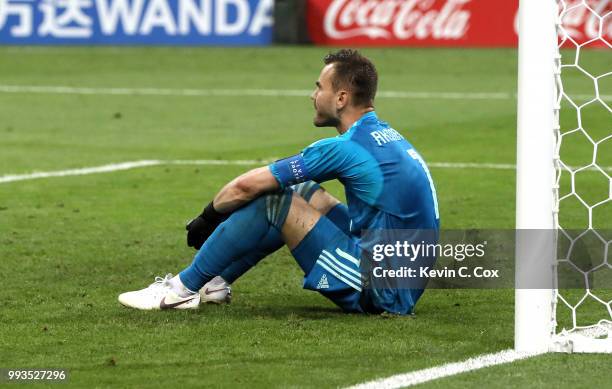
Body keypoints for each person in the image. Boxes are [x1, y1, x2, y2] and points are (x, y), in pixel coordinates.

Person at [118, 49, 440, 314]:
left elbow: (246, 187)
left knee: (274, 201)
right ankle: (213, 283)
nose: (312, 95)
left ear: (341, 98)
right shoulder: (387, 136)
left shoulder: (347, 147)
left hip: (382, 290)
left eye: (319, 88)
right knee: (301, 191)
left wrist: (208, 217)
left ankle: (180, 290)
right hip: (403, 273)